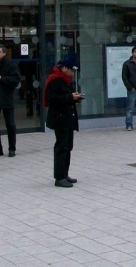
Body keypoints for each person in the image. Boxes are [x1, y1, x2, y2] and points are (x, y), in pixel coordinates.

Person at [43, 53, 83, 188]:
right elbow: (52, 99)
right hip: (60, 119)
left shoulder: (65, 80)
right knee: (61, 147)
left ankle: (65, 174)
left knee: (68, 146)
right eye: (71, 70)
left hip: (67, 118)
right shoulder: (55, 80)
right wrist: (70, 97)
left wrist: (75, 98)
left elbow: (66, 97)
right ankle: (59, 177)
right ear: (64, 68)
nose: (73, 73)